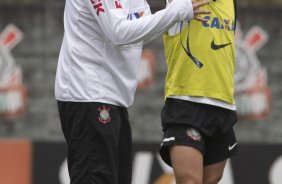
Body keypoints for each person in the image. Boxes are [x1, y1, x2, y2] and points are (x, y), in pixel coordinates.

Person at [55, 0, 211, 184]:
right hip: (88, 94)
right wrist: (176, 12)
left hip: (114, 98)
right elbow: (119, 32)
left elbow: (141, 27)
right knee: (95, 178)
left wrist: (173, 14)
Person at [159, 0, 238, 183]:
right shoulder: (181, 2)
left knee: (210, 180)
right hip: (185, 103)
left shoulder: (230, 3)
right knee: (190, 181)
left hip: (222, 104)